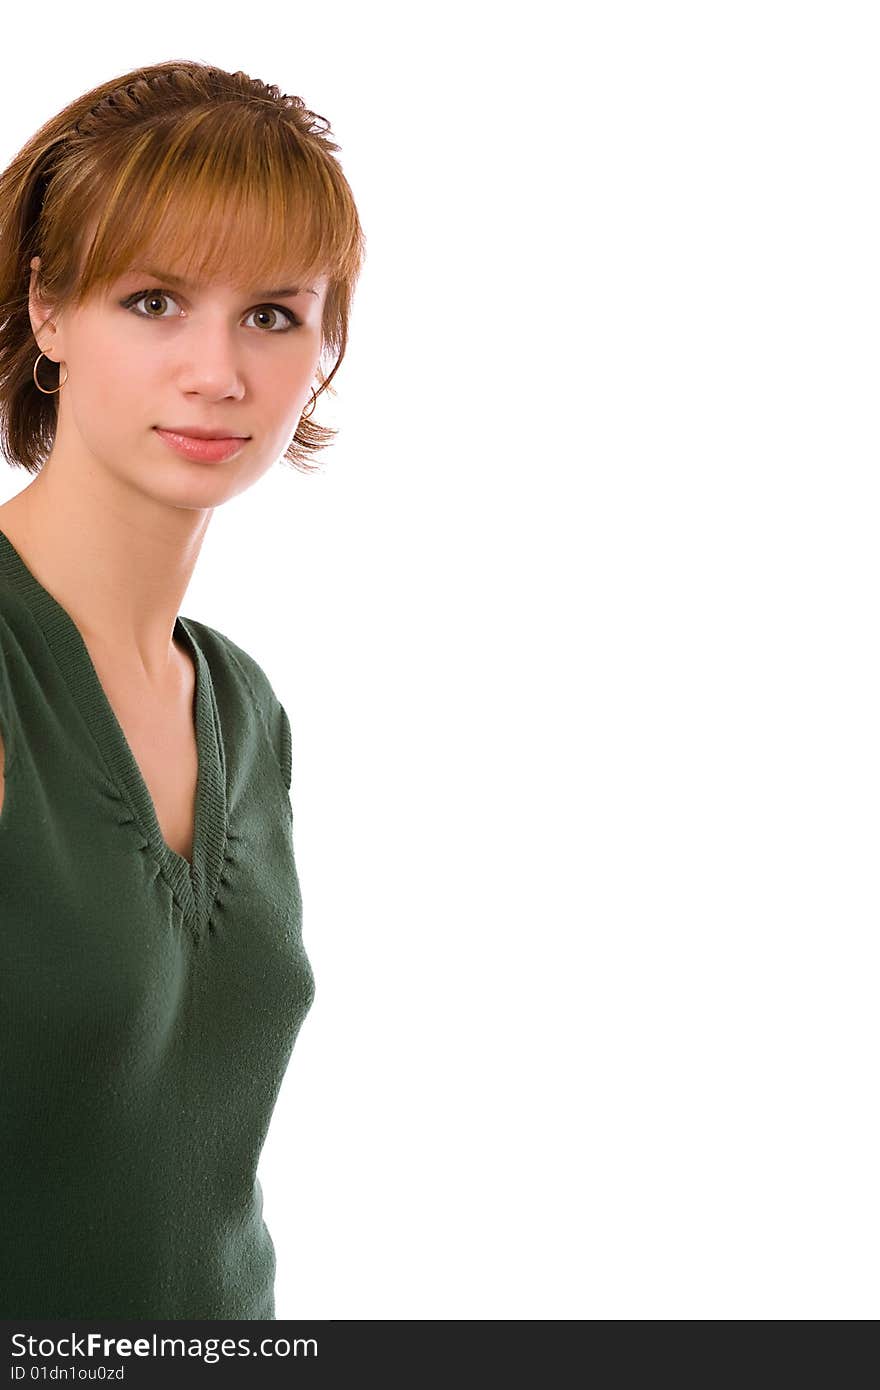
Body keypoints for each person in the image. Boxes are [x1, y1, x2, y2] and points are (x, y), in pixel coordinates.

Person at [0, 59, 365, 1319]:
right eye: (155, 300)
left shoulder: (246, 710)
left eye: (273, 313)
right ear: (48, 310)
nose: (219, 371)